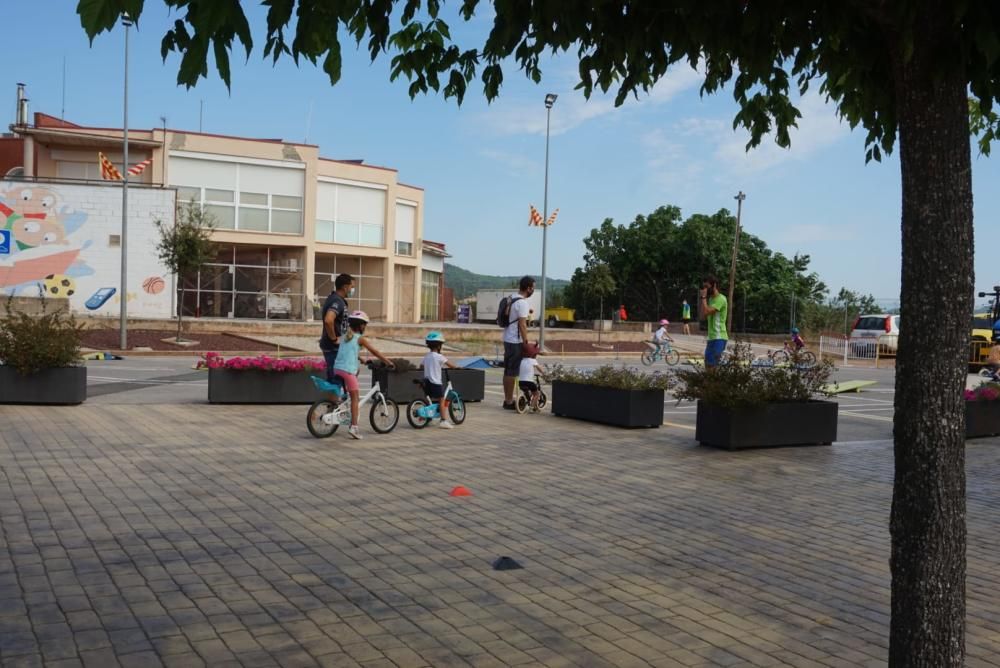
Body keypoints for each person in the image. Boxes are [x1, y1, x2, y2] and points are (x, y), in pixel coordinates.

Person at [332, 311, 395, 440]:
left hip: (337, 368)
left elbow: (349, 351)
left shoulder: (345, 336)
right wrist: (388, 362)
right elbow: (374, 351)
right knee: (355, 398)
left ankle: (343, 405)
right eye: (364, 325)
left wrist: (362, 359)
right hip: (348, 370)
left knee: (350, 390)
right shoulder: (360, 338)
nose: (365, 327)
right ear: (360, 326)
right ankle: (354, 427)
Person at [502, 276, 535, 409]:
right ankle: (509, 402)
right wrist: (525, 341)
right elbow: (522, 325)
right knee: (512, 371)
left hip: (507, 338)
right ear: (528, 288)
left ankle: (507, 399)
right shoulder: (522, 303)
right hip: (515, 341)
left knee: (508, 370)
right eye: (533, 287)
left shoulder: (511, 298)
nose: (533, 289)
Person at [319, 273, 354, 382]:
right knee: (335, 381)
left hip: (337, 348)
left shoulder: (338, 300)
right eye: (352, 287)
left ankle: (337, 398)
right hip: (333, 348)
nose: (353, 290)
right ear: (345, 287)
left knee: (343, 379)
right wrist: (334, 339)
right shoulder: (337, 301)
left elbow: (342, 325)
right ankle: (333, 399)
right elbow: (329, 320)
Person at [423, 331, 458, 429]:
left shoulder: (427, 356)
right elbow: (450, 365)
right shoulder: (439, 356)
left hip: (427, 381)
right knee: (441, 400)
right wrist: (456, 367)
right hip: (435, 382)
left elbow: (421, 365)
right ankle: (443, 421)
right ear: (439, 346)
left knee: (428, 400)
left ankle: (428, 418)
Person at [700, 276, 728, 367]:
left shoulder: (721, 299)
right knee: (708, 364)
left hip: (719, 336)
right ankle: (709, 381)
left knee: (713, 365)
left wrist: (703, 298)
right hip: (711, 337)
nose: (705, 290)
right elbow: (703, 316)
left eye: (707, 287)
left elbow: (708, 311)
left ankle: (715, 381)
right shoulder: (711, 299)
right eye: (704, 287)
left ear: (714, 285)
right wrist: (704, 300)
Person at [518, 342, 547, 410]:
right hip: (529, 382)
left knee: (526, 391)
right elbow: (539, 368)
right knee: (536, 394)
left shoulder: (521, 361)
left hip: (520, 381)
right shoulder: (532, 360)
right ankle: (531, 407)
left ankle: (525, 400)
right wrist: (544, 373)